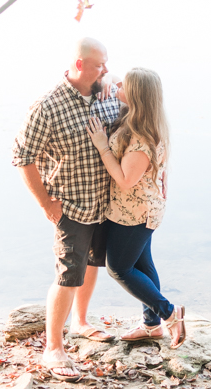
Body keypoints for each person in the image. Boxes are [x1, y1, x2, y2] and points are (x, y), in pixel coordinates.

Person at [12, 38, 121, 381]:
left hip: (106, 201)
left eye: (106, 64)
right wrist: (46, 202)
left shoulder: (104, 90)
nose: (105, 69)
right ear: (78, 65)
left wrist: (111, 81)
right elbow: (22, 158)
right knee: (67, 274)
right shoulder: (47, 106)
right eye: (99, 64)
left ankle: (82, 321)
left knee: (92, 264)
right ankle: (53, 348)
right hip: (70, 206)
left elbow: (130, 88)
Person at [85, 67, 186, 349]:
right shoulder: (141, 116)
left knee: (118, 268)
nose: (118, 88)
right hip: (138, 207)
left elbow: (126, 180)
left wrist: (102, 145)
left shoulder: (142, 139)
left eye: (123, 87)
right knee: (143, 264)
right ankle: (151, 326)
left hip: (136, 212)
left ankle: (168, 313)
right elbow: (115, 74)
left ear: (137, 96)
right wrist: (105, 79)